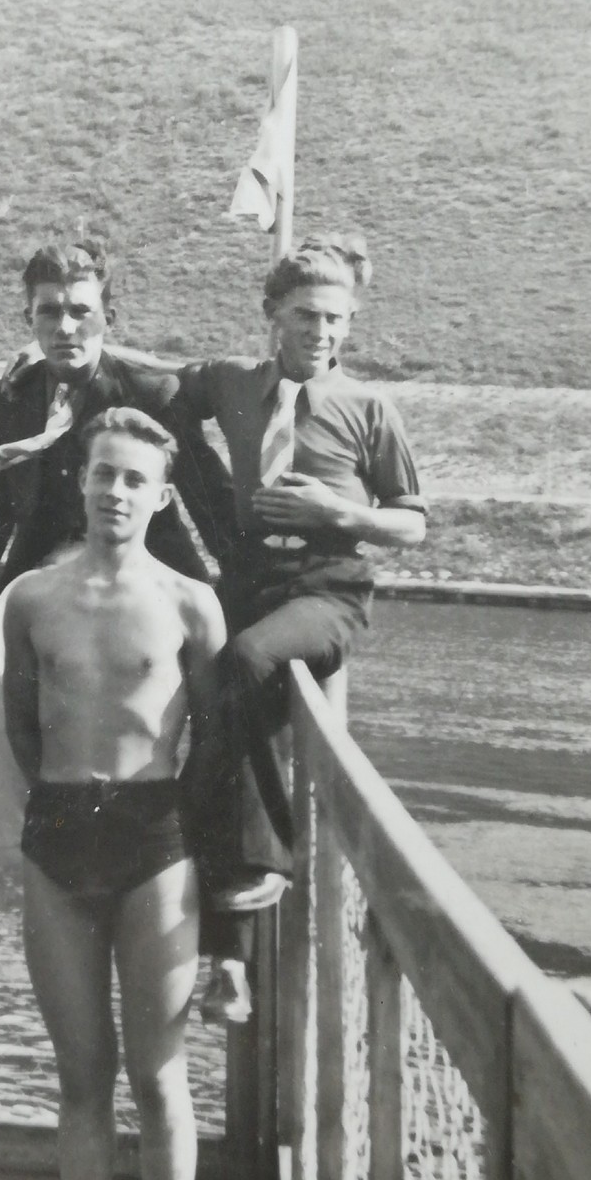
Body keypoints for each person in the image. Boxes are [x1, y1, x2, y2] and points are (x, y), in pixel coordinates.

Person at [0, 407, 228, 1180]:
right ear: (80, 479)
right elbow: (19, 721)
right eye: (103, 473)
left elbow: (215, 745)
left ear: (161, 494)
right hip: (58, 835)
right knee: (80, 1077)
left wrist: (221, 896)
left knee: (158, 1073)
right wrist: (59, 798)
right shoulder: (30, 598)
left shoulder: (188, 602)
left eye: (135, 478)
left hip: (153, 839)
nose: (116, 492)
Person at [0, 237, 233, 882]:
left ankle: (175, 826)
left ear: (107, 319)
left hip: (143, 560)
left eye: (80, 311)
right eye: (49, 313)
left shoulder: (152, 390)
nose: (65, 327)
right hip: (42, 568)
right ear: (30, 320)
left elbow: (207, 495)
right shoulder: (15, 393)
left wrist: (244, 583)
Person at [174, 233, 427, 882]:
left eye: (333, 318)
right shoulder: (232, 383)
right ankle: (187, 857)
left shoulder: (368, 407)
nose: (320, 331)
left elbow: (411, 523)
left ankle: (264, 858)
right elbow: (158, 385)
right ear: (272, 313)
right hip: (248, 580)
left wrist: (340, 514)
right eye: (305, 315)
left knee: (251, 655)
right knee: (197, 691)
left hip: (328, 590)